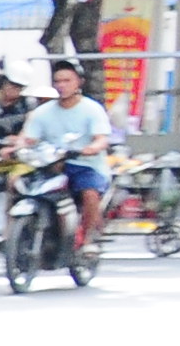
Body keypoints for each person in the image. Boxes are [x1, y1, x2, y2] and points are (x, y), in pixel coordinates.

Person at [19, 57, 119, 259]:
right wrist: (15, 147)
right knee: (18, 184)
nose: (61, 85)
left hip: (85, 166)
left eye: (67, 81)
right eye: (58, 81)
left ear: (78, 82)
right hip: (52, 166)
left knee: (89, 193)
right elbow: (28, 138)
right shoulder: (42, 112)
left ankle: (89, 239)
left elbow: (101, 139)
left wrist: (92, 148)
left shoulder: (92, 109)